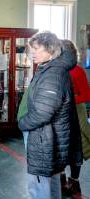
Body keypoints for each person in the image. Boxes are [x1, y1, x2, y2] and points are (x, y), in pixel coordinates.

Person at [17, 32, 83, 199]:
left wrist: (22, 124)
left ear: (50, 50)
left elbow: (42, 113)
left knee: (39, 185)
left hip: (43, 136)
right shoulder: (51, 68)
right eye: (31, 49)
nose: (32, 53)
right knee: (50, 181)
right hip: (47, 136)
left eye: (36, 49)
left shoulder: (53, 73)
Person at [60, 39, 90, 195]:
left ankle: (74, 182)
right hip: (60, 116)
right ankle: (62, 180)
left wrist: (68, 99)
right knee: (60, 149)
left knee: (75, 150)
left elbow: (86, 94)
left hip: (76, 114)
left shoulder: (77, 71)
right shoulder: (57, 69)